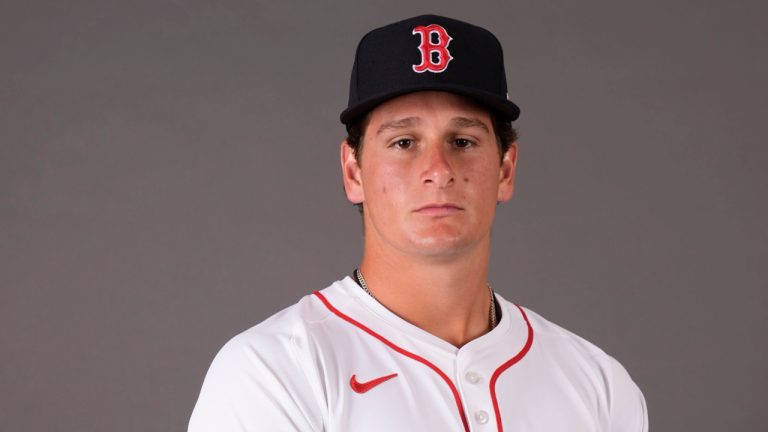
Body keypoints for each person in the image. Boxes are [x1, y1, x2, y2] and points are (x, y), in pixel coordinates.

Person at [188, 14, 648, 432]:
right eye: (404, 142)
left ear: (505, 170)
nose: (438, 170)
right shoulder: (275, 371)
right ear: (353, 172)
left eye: (463, 141)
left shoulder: (598, 384)